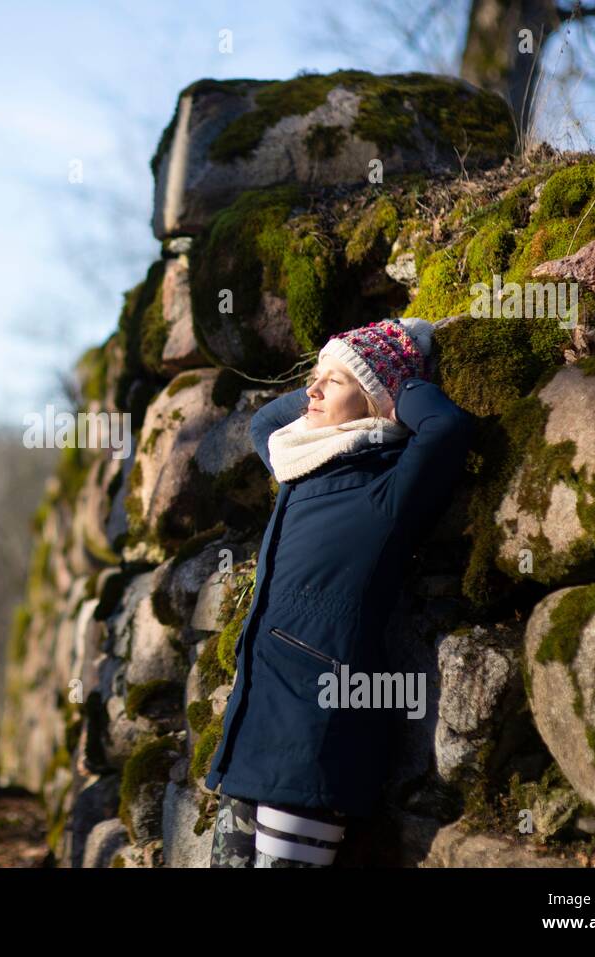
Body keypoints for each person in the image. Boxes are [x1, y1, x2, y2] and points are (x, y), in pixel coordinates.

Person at [206, 317, 476, 868]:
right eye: (315, 376)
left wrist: (399, 384)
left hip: (314, 732)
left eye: (334, 381)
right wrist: (340, 371)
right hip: (255, 720)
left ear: (379, 401)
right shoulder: (303, 462)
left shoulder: (388, 484)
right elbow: (264, 421)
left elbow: (445, 428)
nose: (313, 389)